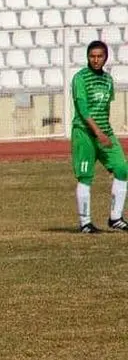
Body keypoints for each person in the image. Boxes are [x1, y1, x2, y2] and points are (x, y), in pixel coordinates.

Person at [70, 39, 128, 233]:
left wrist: (104, 131)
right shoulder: (80, 78)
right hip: (85, 133)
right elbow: (83, 109)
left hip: (104, 132)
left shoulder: (108, 80)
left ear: (105, 58)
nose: (95, 60)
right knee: (85, 176)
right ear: (88, 57)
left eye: (99, 56)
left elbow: (104, 109)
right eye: (92, 56)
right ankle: (85, 223)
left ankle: (115, 217)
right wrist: (97, 132)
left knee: (121, 168)